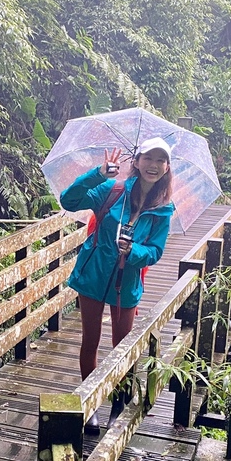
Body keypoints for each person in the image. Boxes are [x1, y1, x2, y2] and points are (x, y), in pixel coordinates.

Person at [60, 137, 175, 434]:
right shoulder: (111, 191)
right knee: (91, 340)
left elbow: (155, 252)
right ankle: (91, 403)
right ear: (136, 162)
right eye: (149, 157)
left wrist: (133, 251)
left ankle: (119, 404)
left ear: (166, 167)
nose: (154, 165)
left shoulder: (163, 210)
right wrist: (97, 174)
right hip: (93, 275)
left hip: (128, 281)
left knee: (122, 347)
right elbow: (69, 200)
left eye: (160, 160)